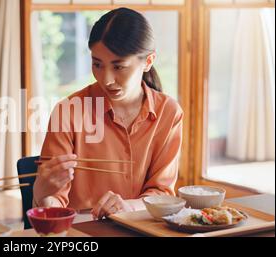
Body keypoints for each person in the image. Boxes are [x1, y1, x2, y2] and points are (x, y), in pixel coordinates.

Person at [32, 7, 183, 220]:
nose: (106, 79)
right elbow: (54, 200)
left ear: (148, 61)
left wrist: (127, 207)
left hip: (142, 227)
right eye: (97, 64)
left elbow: (163, 193)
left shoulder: (168, 112)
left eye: (119, 67)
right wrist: (43, 193)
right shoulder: (68, 111)